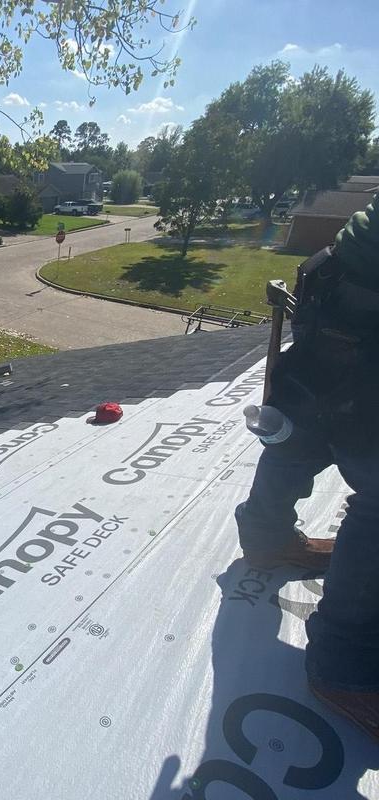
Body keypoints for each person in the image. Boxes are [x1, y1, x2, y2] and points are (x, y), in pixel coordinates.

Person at [235, 192, 379, 742]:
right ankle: (343, 669)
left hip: (338, 271)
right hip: (367, 298)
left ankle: (266, 536)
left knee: (303, 417)